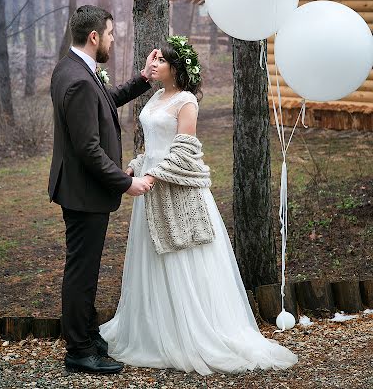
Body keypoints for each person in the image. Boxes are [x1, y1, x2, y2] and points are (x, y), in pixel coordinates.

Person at [99, 36, 298, 375]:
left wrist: (154, 176)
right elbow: (154, 145)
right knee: (151, 260)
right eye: (154, 61)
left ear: (176, 68)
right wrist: (136, 166)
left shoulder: (186, 100)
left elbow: (184, 151)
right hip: (148, 186)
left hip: (175, 188)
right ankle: (154, 329)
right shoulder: (157, 97)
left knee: (183, 256)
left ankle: (191, 332)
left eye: (160, 61)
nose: (154, 65)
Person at [48, 5, 157, 375]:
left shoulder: (72, 68)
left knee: (84, 269)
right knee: (81, 272)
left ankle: (87, 336)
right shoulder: (78, 79)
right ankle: (79, 350)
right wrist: (127, 183)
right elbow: (88, 149)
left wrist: (142, 79)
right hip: (83, 192)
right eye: (110, 34)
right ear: (94, 37)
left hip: (80, 190)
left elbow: (105, 99)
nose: (113, 39)